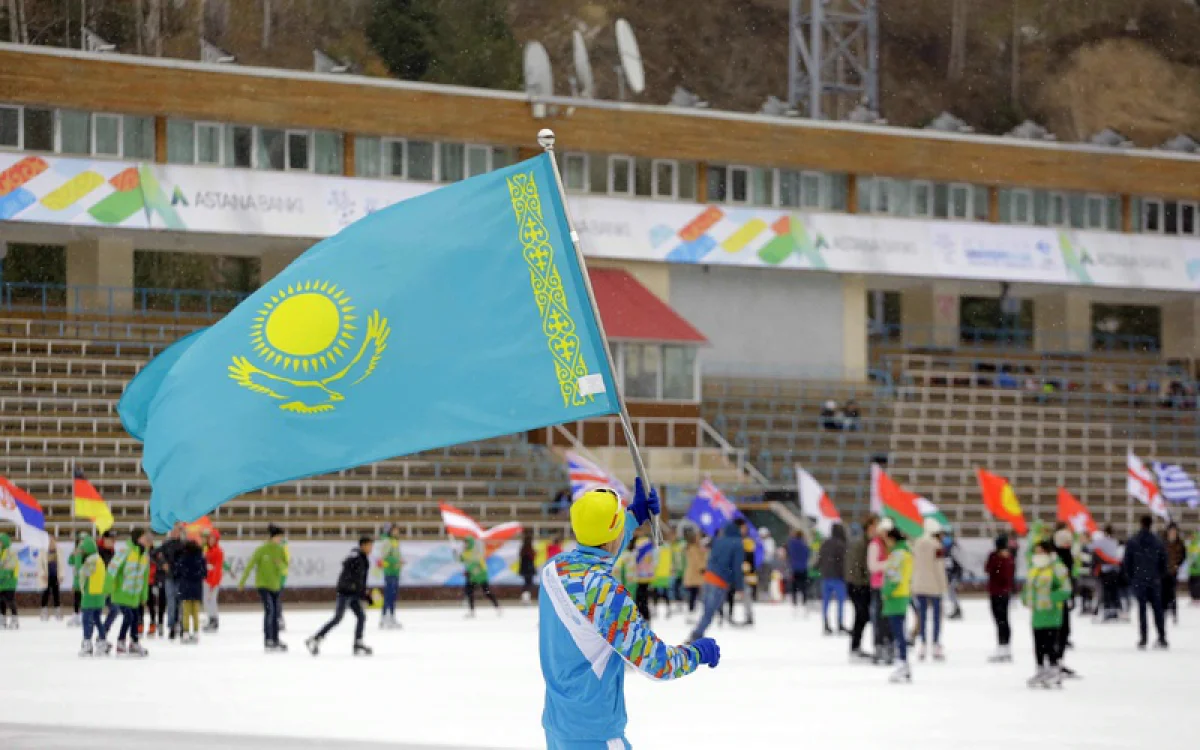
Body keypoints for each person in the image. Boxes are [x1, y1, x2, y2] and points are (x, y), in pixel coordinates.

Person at [540, 481, 719, 749]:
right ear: (614, 533)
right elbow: (656, 664)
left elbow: (596, 556)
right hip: (596, 734)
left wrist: (633, 517)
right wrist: (695, 653)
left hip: (559, 727)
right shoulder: (606, 594)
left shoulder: (553, 570)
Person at [306, 536, 374, 656]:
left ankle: (358, 642)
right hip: (346, 593)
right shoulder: (357, 558)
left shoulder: (361, 558)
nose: (371, 548)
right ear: (362, 546)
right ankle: (315, 638)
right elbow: (353, 576)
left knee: (361, 617)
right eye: (369, 545)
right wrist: (362, 593)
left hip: (353, 593)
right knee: (337, 618)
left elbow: (359, 580)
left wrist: (363, 593)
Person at [688, 518, 746, 642]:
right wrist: (739, 586)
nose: (745, 530)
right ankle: (695, 636)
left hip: (709, 578)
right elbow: (737, 566)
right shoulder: (737, 543)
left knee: (708, 610)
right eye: (744, 528)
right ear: (738, 528)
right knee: (709, 611)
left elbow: (710, 555)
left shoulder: (719, 540)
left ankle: (696, 635)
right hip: (719, 580)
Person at [1023, 540, 1071, 688]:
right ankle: (1041, 670)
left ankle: (1054, 671)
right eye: (1036, 552)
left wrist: (1051, 598)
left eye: (1041, 552)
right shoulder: (1034, 568)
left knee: (1050, 644)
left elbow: (1066, 589)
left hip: (1051, 613)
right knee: (1038, 644)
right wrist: (1025, 598)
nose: (1038, 555)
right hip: (1037, 613)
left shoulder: (1057, 568)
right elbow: (1028, 587)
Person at [238, 524, 290, 652]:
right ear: (273, 537)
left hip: (276, 585)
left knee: (275, 613)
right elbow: (250, 565)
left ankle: (275, 639)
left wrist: (280, 565)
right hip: (263, 585)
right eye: (278, 538)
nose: (280, 540)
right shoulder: (262, 550)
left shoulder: (280, 550)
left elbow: (285, 570)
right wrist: (242, 582)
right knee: (270, 611)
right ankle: (268, 640)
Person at [1123, 515, 1168, 649]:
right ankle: (1162, 636)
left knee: (1142, 610)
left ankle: (1143, 638)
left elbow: (1127, 562)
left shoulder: (1133, 541)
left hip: (1139, 579)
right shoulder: (1158, 541)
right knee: (1157, 610)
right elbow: (1163, 561)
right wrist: (1159, 575)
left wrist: (1132, 577)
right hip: (1154, 579)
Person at [107, 527, 151, 657]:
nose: (147, 539)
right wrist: (108, 588)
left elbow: (144, 577)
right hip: (122, 592)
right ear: (138, 538)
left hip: (134, 595)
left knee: (135, 618)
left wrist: (143, 595)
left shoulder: (144, 555)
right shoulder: (125, 551)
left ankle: (134, 642)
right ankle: (121, 642)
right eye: (144, 536)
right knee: (129, 616)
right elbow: (112, 568)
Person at [911, 517, 948, 661]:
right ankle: (936, 645)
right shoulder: (937, 546)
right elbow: (939, 568)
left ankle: (923, 645)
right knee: (937, 617)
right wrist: (943, 586)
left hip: (919, 585)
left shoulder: (917, 543)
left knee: (922, 616)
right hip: (934, 586)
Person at [882, 528, 913, 684]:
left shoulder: (897, 555)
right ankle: (903, 663)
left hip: (894, 596)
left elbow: (893, 576)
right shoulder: (906, 553)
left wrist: (886, 591)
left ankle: (902, 662)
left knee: (897, 633)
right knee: (901, 631)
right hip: (903, 594)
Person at [845, 515, 875, 661]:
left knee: (863, 616)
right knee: (861, 615)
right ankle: (855, 647)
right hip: (858, 585)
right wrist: (863, 581)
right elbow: (856, 567)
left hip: (863, 585)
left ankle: (856, 646)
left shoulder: (869, 543)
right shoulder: (860, 544)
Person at [77, 536, 112, 656]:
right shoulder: (99, 559)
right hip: (99, 595)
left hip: (90, 595)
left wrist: (77, 557)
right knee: (97, 620)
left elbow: (81, 572)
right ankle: (102, 641)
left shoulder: (91, 560)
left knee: (87, 620)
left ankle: (87, 643)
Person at [1052, 526, 1079, 677]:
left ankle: (1058, 660)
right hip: (1058, 599)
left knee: (1064, 631)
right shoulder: (1058, 558)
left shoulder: (1066, 556)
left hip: (1063, 598)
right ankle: (1055, 661)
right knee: (1059, 631)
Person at [985, 534, 1015, 662]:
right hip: (1002, 592)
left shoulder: (999, 558)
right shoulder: (1007, 557)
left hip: (998, 592)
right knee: (1002, 620)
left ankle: (1004, 647)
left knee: (1001, 620)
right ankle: (1004, 647)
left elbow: (991, 570)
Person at [868, 518, 893, 665]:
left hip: (891, 587)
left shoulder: (891, 545)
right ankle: (879, 647)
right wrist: (889, 564)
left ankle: (889, 645)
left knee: (890, 619)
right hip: (879, 586)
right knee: (879, 619)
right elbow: (873, 566)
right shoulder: (875, 545)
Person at [155, 523, 185, 639]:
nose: (174, 533)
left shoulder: (184, 545)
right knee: (171, 602)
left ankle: (181, 624)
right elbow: (154, 553)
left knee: (180, 603)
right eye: (173, 531)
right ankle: (172, 625)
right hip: (170, 577)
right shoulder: (166, 544)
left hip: (180, 578)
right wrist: (162, 564)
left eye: (177, 531)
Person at [818, 523, 848, 635]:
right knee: (840, 602)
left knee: (826, 602)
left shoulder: (825, 543)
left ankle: (825, 623)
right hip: (838, 577)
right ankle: (839, 623)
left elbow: (820, 558)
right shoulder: (842, 544)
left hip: (826, 576)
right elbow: (844, 562)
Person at [176, 539, 207, 644]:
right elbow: (204, 573)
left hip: (185, 588)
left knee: (186, 612)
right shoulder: (201, 558)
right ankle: (196, 632)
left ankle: (185, 632)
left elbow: (178, 571)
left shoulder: (183, 558)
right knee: (195, 612)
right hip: (197, 588)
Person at [461, 536, 500, 616]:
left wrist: (470, 570)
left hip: (481, 575)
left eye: (466, 543)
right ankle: (472, 611)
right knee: (470, 592)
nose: (465, 544)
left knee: (487, 592)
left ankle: (497, 607)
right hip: (472, 576)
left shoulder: (475, 551)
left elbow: (477, 563)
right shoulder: (465, 552)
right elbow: (461, 559)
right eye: (464, 543)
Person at [378, 523, 404, 625]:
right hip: (389, 571)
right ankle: (385, 617)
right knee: (389, 595)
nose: (397, 532)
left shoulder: (395, 541)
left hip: (395, 571)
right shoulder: (387, 541)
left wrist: (398, 561)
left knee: (392, 595)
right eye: (395, 530)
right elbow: (384, 556)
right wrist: (396, 561)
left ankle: (391, 616)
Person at [1162, 523, 1186, 623]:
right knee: (1163, 593)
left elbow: (1183, 555)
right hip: (1163, 572)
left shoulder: (1179, 543)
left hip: (1173, 571)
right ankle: (1163, 612)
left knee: (1172, 593)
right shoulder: (1163, 542)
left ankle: (1174, 614)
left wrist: (1178, 564)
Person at [202, 527, 224, 632]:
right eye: (210, 539)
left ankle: (213, 620)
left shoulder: (218, 551)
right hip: (207, 579)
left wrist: (213, 582)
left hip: (212, 580)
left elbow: (217, 568)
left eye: (213, 539)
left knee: (211, 600)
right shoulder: (207, 550)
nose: (211, 541)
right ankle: (211, 618)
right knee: (207, 600)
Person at [631, 530, 657, 623]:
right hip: (647, 575)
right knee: (643, 597)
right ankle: (645, 616)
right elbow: (654, 560)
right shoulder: (649, 544)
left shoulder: (639, 542)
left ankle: (644, 616)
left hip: (640, 575)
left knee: (641, 597)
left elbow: (635, 557)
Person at [682, 529, 707, 615]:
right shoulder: (693, 548)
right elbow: (697, 560)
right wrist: (703, 568)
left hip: (695, 574)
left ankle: (692, 610)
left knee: (695, 593)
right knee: (694, 593)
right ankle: (691, 610)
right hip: (695, 574)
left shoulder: (696, 547)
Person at [39, 536, 63, 621]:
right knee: (45, 593)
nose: (51, 543)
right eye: (49, 541)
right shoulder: (43, 551)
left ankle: (57, 612)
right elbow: (40, 564)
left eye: (52, 541)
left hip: (55, 575)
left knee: (56, 594)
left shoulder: (59, 551)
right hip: (46, 576)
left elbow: (61, 564)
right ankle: (44, 612)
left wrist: (61, 576)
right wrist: (42, 574)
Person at [786, 530, 810, 608]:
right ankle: (804, 600)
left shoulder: (792, 544)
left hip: (794, 568)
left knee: (794, 585)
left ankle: (794, 600)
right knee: (804, 585)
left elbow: (789, 554)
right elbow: (807, 554)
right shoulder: (804, 545)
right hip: (803, 567)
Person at [0, 533, 19, 628]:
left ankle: (15, 619)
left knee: (10, 600)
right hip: (1, 581)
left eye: (0, 541)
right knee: (1, 601)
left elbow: (9, 568)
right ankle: (2, 620)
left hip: (10, 580)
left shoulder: (10, 553)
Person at [519, 528, 538, 605]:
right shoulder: (529, 549)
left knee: (526, 583)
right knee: (529, 583)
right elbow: (532, 557)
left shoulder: (523, 549)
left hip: (524, 568)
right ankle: (526, 597)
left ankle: (525, 597)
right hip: (529, 568)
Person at [1188, 530, 1200, 605]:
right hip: (1191, 569)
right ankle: (1193, 598)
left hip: (1198, 569)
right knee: (1192, 584)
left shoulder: (1198, 544)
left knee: (1197, 585)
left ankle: (1197, 598)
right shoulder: (1190, 545)